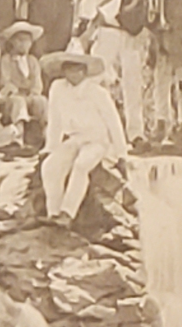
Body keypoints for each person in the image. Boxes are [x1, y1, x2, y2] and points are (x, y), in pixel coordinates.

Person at [37, 47, 127, 222]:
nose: (74, 73)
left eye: (79, 69)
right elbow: (54, 119)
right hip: (74, 139)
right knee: (50, 167)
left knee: (81, 165)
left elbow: (113, 123)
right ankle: (53, 212)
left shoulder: (97, 92)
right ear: (63, 71)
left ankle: (67, 213)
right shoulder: (57, 88)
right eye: (69, 68)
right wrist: (51, 147)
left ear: (85, 71)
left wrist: (121, 154)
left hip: (97, 141)